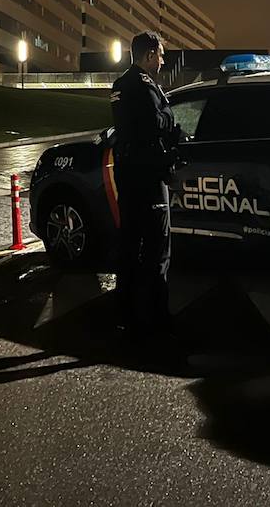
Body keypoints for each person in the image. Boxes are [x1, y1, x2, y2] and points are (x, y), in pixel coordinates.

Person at [110, 31, 181, 338]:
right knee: (157, 250)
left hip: (127, 176)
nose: (163, 60)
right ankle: (158, 317)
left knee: (129, 246)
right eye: (161, 55)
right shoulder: (144, 86)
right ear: (150, 55)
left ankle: (125, 313)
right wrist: (172, 129)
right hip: (149, 177)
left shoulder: (120, 84)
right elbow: (156, 126)